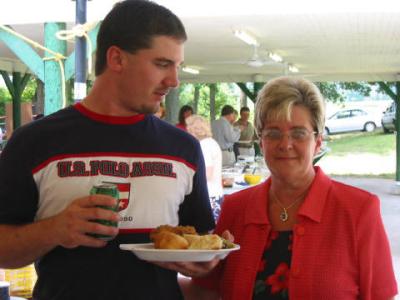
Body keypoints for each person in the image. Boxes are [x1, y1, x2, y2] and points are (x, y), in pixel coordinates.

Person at [0, 1, 217, 299]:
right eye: (162, 64)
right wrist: (54, 229)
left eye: (176, 66)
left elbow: (201, 238)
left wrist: (206, 258)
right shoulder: (34, 142)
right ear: (116, 58)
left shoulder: (184, 148)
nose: (174, 81)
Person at [191, 77, 398, 299]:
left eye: (299, 133)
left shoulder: (359, 210)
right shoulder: (235, 209)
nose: (285, 144)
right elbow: (205, 291)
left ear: (318, 142)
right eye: (273, 133)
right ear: (261, 142)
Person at [186, 115, 223, 221]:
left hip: (209, 195)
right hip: (214, 193)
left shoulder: (204, 145)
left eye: (189, 128)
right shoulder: (211, 142)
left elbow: (207, 173)